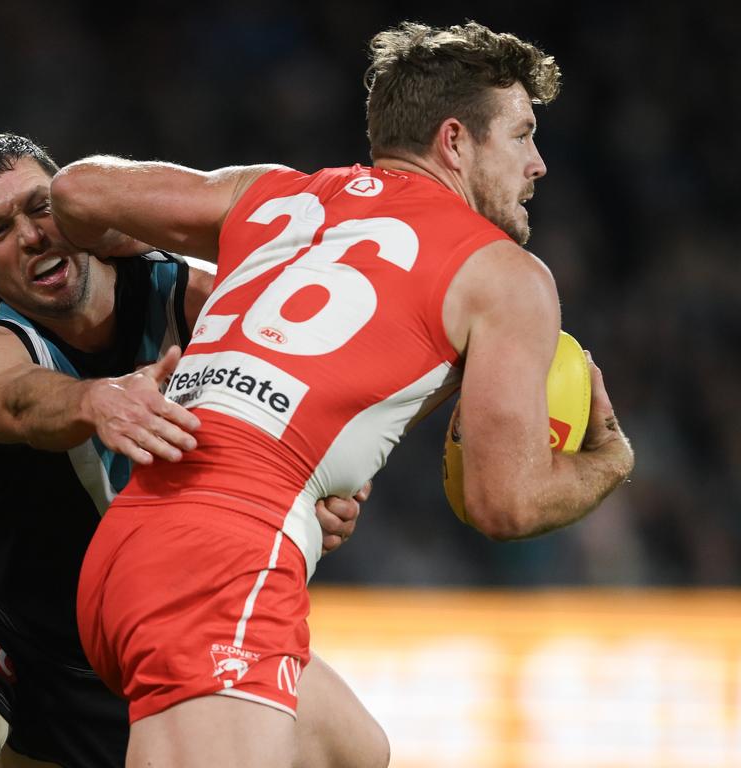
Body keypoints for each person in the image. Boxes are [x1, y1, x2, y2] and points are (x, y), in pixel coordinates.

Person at [51, 20, 636, 768]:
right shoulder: (505, 276)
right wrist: (610, 462)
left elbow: (77, 191)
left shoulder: (270, 197)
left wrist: (221, 286)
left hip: (128, 551)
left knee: (351, 752)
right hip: (226, 559)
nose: (539, 164)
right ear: (455, 142)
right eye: (522, 136)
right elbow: (505, 501)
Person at [0, 133, 381, 768]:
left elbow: (313, 382)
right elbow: (12, 398)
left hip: (140, 624)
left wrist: (325, 489)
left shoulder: (192, 296)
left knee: (357, 751)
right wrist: (93, 402)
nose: (31, 236)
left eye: (41, 207)